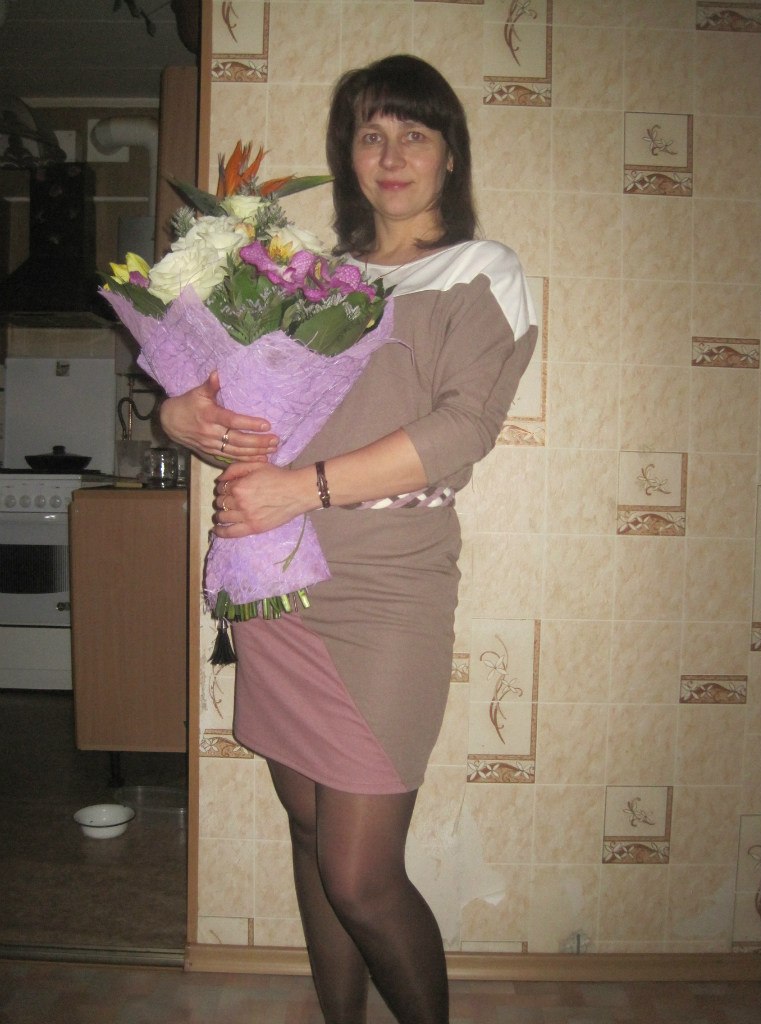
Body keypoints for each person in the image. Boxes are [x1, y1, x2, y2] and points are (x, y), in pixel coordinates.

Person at [160, 54, 537, 1024]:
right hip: (279, 578)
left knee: (361, 875)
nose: (392, 154)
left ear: (450, 153)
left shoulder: (482, 272)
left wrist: (302, 486)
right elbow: (235, 398)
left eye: (414, 132)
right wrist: (181, 417)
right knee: (307, 832)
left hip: (388, 588)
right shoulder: (308, 280)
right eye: (371, 135)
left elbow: (463, 429)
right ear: (348, 156)